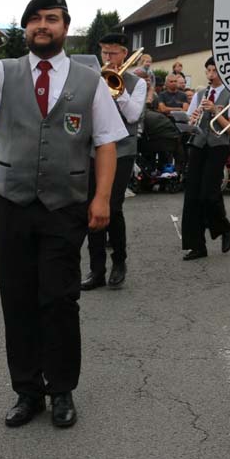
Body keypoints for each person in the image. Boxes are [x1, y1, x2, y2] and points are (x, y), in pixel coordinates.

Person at [0, 0, 126, 429]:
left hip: (66, 205)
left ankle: (62, 389)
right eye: (35, 20)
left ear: (66, 27)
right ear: (25, 28)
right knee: (18, 299)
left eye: (52, 19)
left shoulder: (90, 81)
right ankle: (27, 390)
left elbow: (106, 143)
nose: (43, 26)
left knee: (60, 300)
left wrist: (102, 198)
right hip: (13, 203)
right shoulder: (2, 72)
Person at [82, 33, 146, 290]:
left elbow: (132, 115)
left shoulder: (137, 83)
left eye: (112, 53)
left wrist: (116, 89)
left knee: (114, 207)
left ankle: (119, 262)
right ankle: (96, 270)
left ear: (124, 54)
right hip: (95, 149)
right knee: (91, 207)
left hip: (122, 149)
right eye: (104, 53)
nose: (107, 58)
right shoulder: (90, 79)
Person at [179, 57, 230, 261]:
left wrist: (214, 111)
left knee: (209, 194)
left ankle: (225, 227)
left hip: (218, 145)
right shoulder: (199, 93)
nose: (211, 75)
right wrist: (193, 117)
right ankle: (196, 246)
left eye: (215, 71)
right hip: (198, 143)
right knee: (192, 195)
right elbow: (188, 120)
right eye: (209, 71)